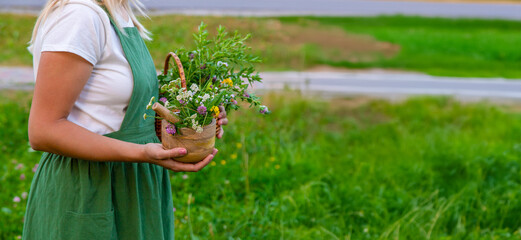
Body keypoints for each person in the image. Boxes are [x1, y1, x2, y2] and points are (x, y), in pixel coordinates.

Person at [23, 0, 228, 239]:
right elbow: (43, 130)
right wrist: (141, 153)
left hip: (134, 184)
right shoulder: (80, 17)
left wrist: (192, 116)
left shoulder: (118, 12)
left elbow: (114, 109)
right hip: (90, 188)